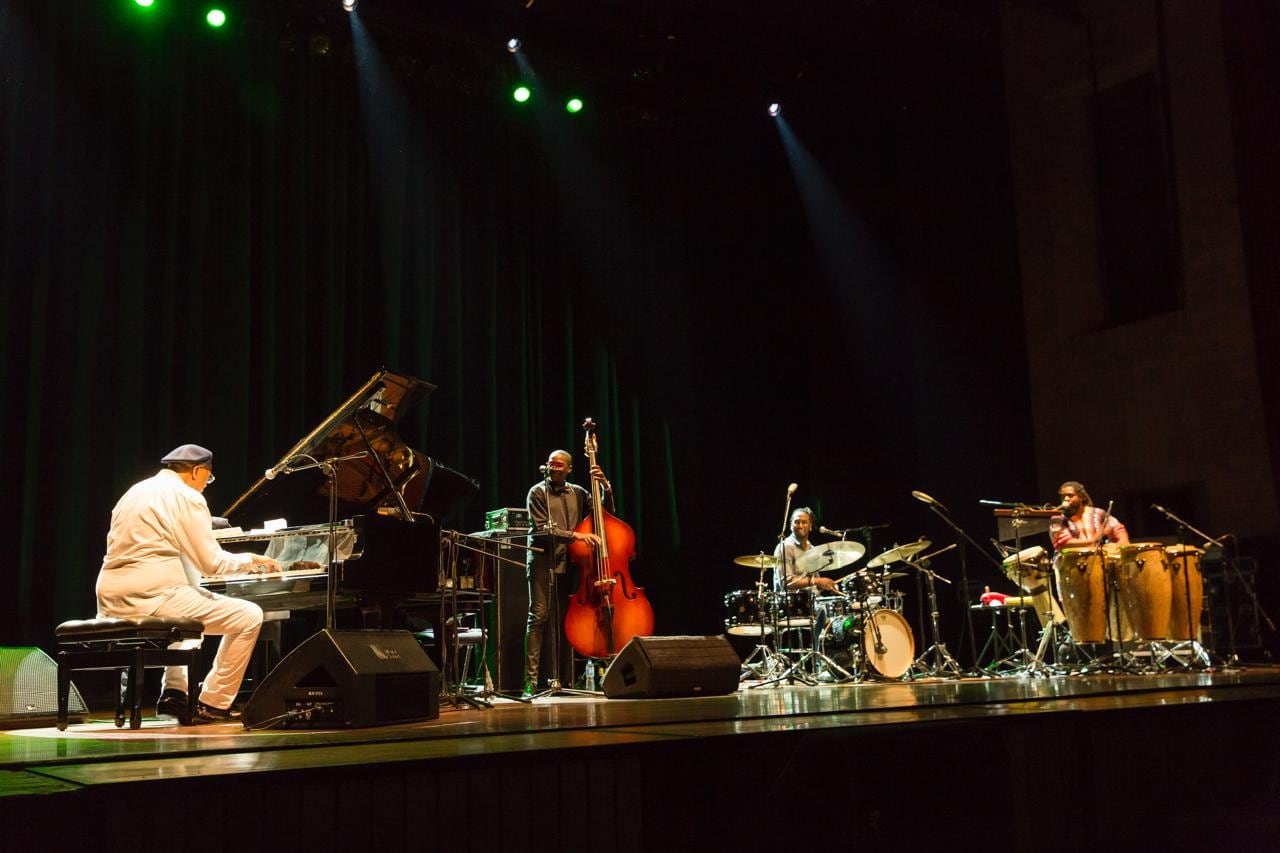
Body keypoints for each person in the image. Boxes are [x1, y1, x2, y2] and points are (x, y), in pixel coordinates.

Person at [96, 444, 281, 723]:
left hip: (109, 596)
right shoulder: (187, 496)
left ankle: (175, 695)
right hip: (153, 595)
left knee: (193, 609)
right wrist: (251, 560)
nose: (207, 485)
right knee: (248, 615)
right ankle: (213, 703)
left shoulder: (135, 491)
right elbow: (212, 564)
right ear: (197, 471)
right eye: (208, 478)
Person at [523, 449, 609, 695]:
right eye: (551, 464)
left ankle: (564, 679)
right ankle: (530, 683)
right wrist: (576, 535)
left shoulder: (579, 492)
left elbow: (603, 514)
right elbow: (541, 529)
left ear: (569, 469)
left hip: (569, 563)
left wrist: (605, 487)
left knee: (566, 621)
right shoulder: (537, 492)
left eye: (559, 465)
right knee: (538, 617)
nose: (554, 468)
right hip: (542, 561)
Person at [1049, 481, 1130, 554]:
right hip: (1070, 563)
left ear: (1081, 497)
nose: (1065, 499)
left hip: (1098, 560)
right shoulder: (1057, 518)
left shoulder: (1099, 513)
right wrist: (1093, 540)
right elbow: (1062, 543)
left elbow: (1119, 529)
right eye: (1063, 496)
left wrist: (1121, 544)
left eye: (1070, 496)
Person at [773, 507, 838, 594]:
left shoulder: (812, 549)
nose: (800, 526)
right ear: (791, 526)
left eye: (804, 522)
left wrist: (829, 586)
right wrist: (817, 581)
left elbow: (816, 583)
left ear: (810, 526)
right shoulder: (785, 547)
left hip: (813, 600)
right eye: (796, 522)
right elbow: (785, 583)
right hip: (793, 603)